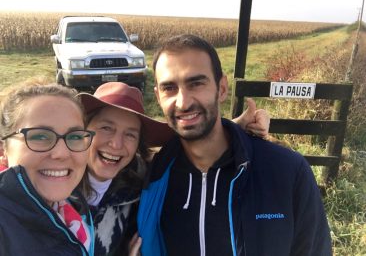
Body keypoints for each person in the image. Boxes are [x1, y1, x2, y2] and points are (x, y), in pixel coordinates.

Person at [136, 34, 332, 256]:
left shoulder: (286, 171)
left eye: (196, 83)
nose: (183, 102)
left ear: (221, 88)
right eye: (169, 88)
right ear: (158, 97)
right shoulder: (153, 177)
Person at [76, 81, 270, 256]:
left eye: (130, 135)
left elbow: (190, 148)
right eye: (106, 128)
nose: (116, 144)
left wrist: (233, 130)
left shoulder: (139, 184)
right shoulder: (57, 184)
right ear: (83, 129)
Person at [0, 81, 95, 255]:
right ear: (3, 149)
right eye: (40, 136)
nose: (61, 153)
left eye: (74, 136)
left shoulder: (72, 207)